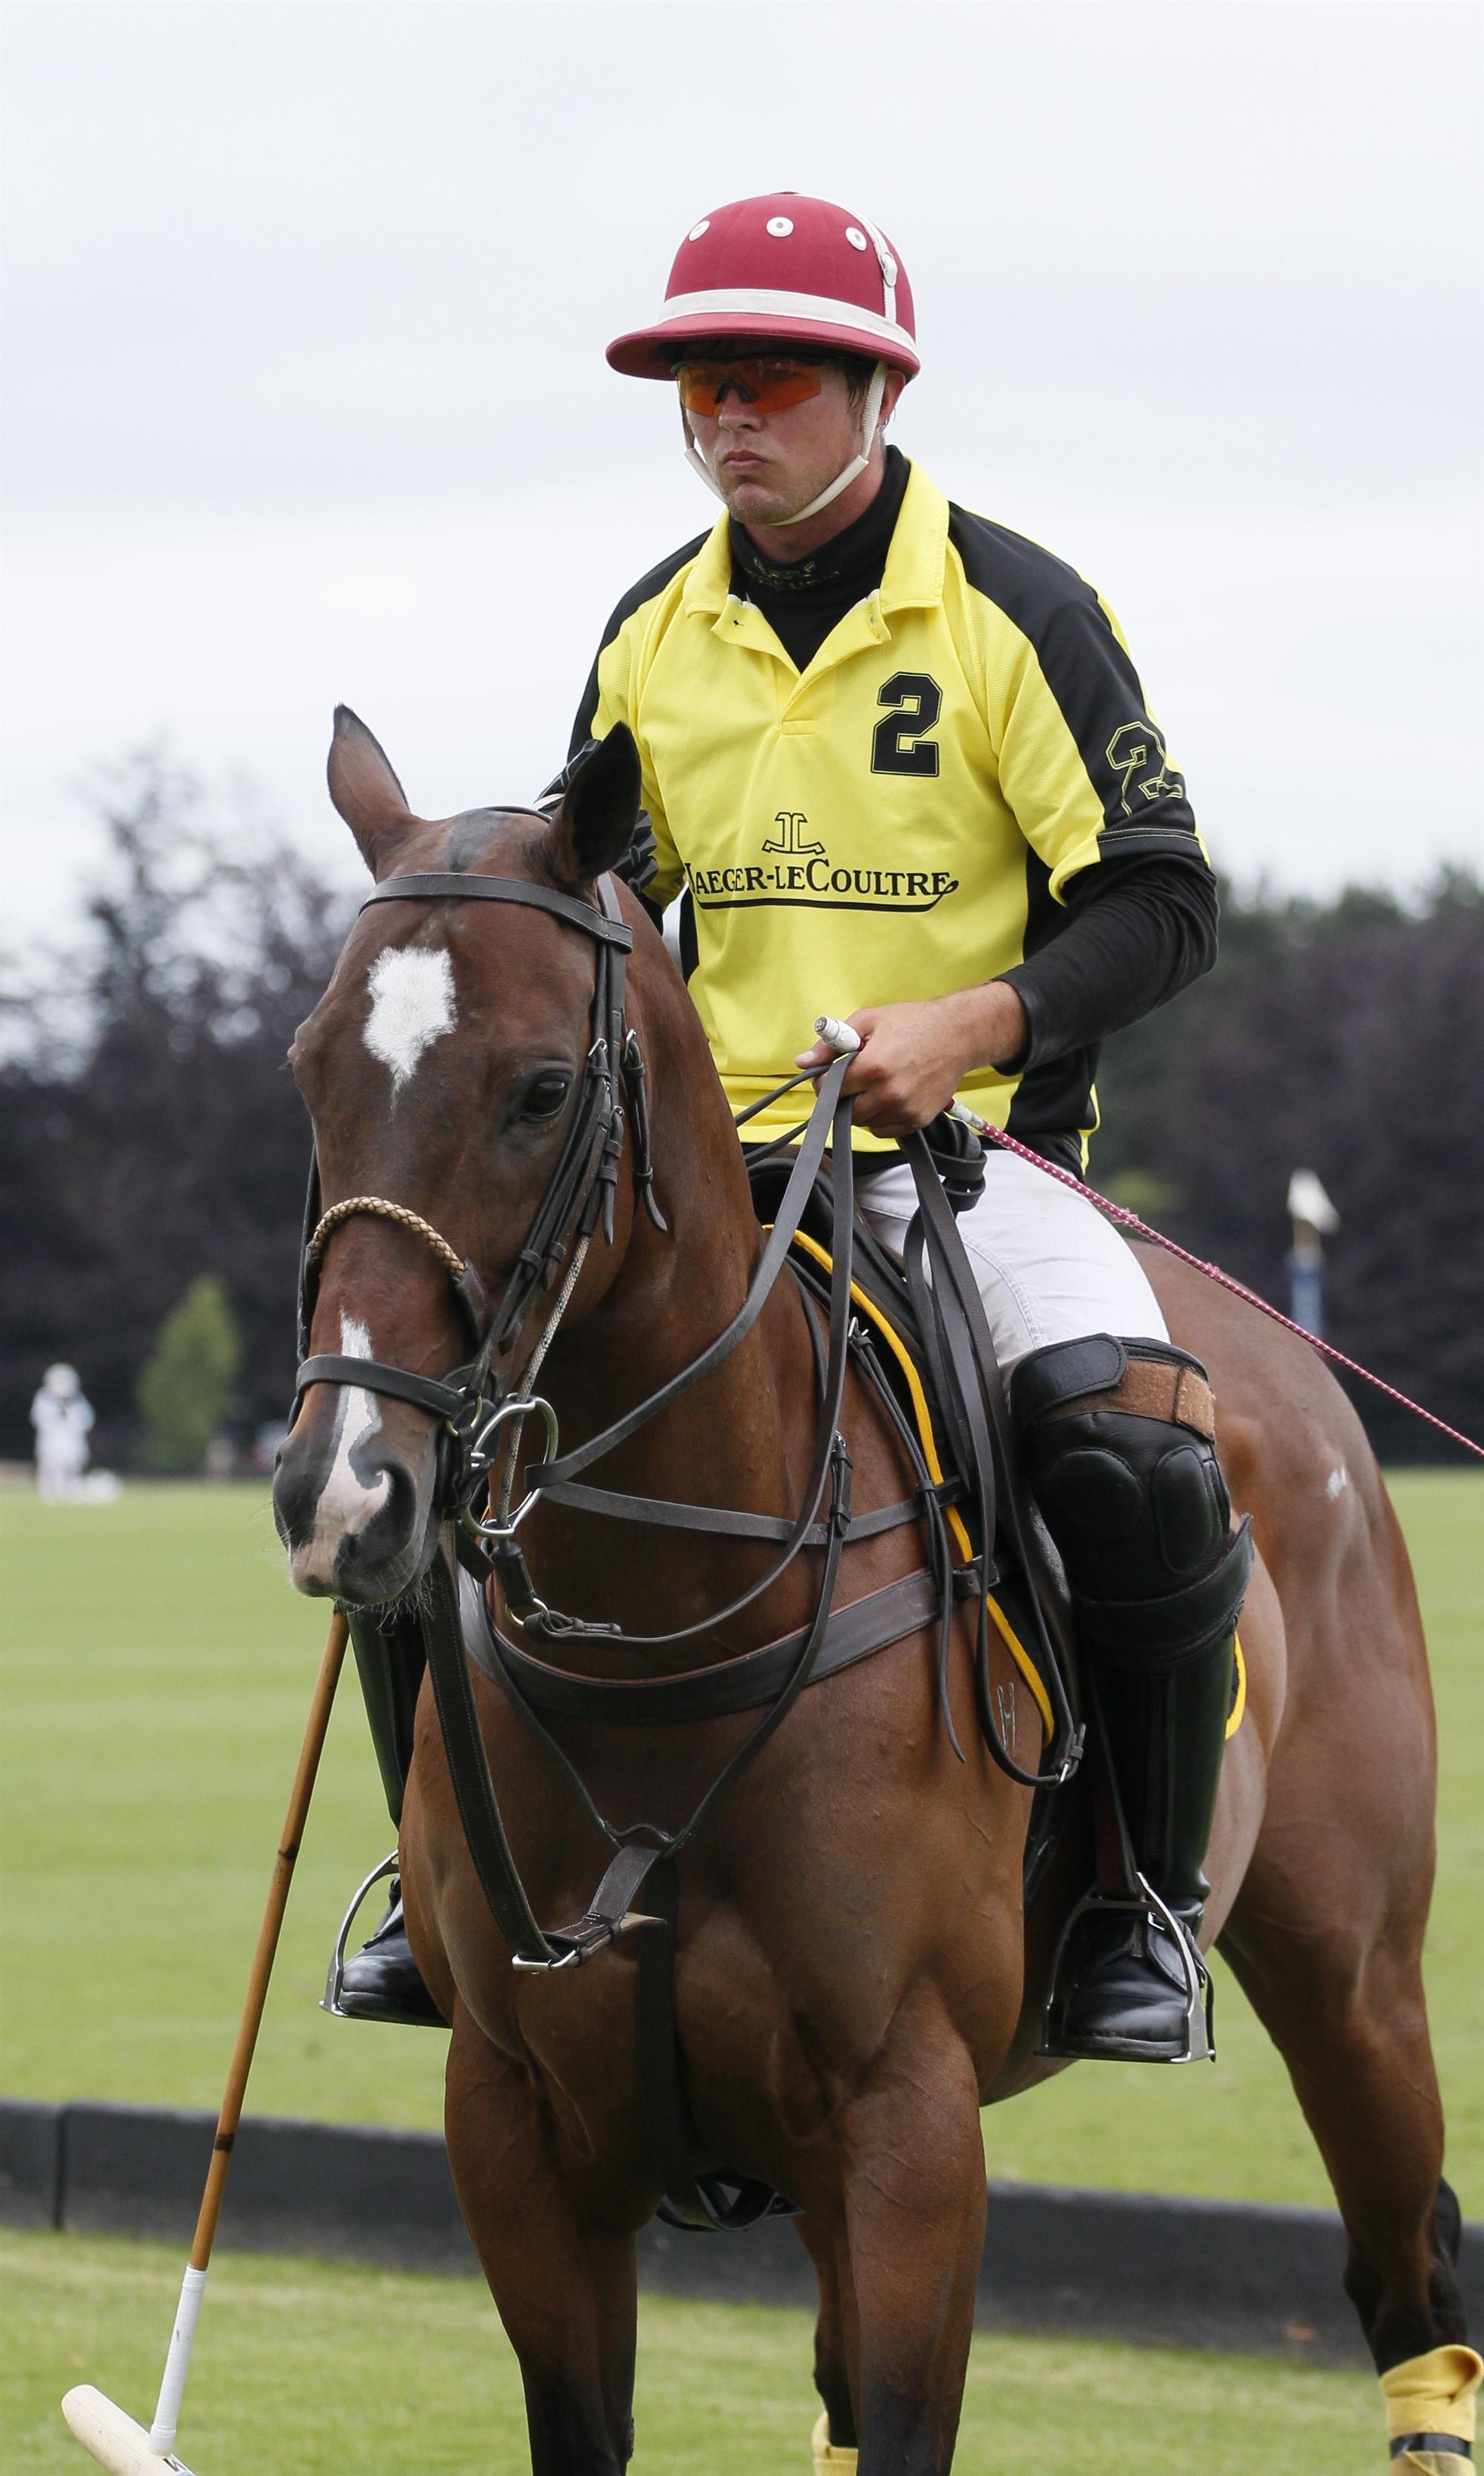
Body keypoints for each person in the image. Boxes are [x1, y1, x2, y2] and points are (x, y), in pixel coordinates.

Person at [337, 191, 1252, 2063]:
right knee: (412, 1464)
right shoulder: (650, 632)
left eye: (760, 382)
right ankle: (434, 1886)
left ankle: (1138, 1905)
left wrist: (973, 1021)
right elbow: (593, 902)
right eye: (695, 389)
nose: (722, 420)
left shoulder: (1016, 608)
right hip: (702, 1182)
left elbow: (1162, 898)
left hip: (969, 1162)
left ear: (871, 385)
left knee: (1130, 1461)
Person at [30, 1363, 96, 1501]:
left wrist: (70, 1416)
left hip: (71, 1442)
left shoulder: (78, 1400)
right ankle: (48, 1494)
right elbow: (39, 1418)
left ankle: (69, 1493)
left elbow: (86, 1420)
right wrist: (56, 1415)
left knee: (72, 1468)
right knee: (50, 1468)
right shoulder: (44, 1398)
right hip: (51, 1442)